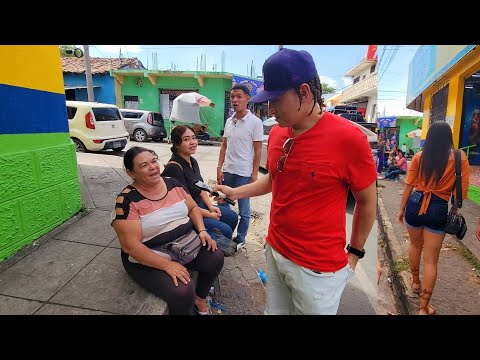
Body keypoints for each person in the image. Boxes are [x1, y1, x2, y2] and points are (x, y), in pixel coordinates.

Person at [215, 48, 377, 315]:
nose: (270, 109)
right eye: (268, 100)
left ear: (304, 92)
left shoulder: (349, 139)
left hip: (318, 271)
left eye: (277, 100)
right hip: (276, 251)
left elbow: (367, 202)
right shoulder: (279, 133)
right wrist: (235, 190)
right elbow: (274, 181)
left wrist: (354, 255)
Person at [111, 146, 224, 315]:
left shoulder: (173, 183)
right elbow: (131, 246)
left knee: (215, 256)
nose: (152, 167)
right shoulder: (127, 201)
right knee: (182, 291)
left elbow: (193, 208)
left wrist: (201, 231)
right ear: (131, 173)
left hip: (184, 244)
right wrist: (167, 265)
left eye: (154, 161)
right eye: (144, 165)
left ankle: (200, 298)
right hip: (149, 256)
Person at [397, 121, 470, 315]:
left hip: (415, 203)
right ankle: (423, 308)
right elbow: (461, 193)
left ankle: (414, 282)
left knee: (414, 245)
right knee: (431, 261)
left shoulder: (419, 157)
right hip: (438, 207)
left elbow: (408, 185)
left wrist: (401, 209)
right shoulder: (459, 157)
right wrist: (453, 210)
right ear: (449, 137)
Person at [162, 125, 238, 241]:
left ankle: (221, 246)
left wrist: (211, 206)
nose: (192, 142)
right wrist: (209, 214)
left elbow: (201, 187)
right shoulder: (174, 168)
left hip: (200, 205)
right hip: (188, 213)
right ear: (177, 144)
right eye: (186, 139)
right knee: (225, 230)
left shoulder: (193, 161)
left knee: (232, 217)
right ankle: (211, 251)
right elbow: (185, 204)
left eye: (193, 138)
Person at [217, 83, 264, 249]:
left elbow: (258, 151)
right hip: (227, 171)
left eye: (239, 97)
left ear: (247, 99)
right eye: (232, 97)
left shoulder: (255, 122)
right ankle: (223, 233)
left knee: (244, 211)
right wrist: (219, 168)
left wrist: (254, 174)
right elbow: (224, 146)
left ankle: (241, 237)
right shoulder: (229, 121)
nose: (235, 100)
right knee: (222, 205)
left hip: (244, 174)